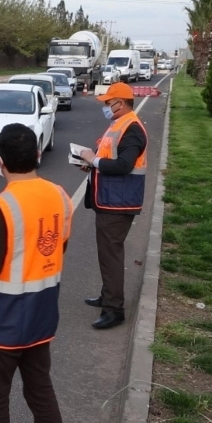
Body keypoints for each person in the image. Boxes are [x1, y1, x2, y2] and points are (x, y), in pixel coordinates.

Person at [0, 123, 73, 423]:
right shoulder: (60, 195)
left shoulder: (2, 206)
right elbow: (56, 248)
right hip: (42, 317)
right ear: (38, 155)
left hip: (1, 325)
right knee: (40, 390)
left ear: (0, 162)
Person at [77, 82, 148, 330]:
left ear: (121, 102)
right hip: (109, 199)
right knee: (107, 254)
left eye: (109, 103)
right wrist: (91, 163)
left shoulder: (132, 129)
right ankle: (108, 297)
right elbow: (109, 158)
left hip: (119, 202)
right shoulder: (119, 124)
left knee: (111, 255)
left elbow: (124, 166)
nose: (106, 107)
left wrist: (92, 159)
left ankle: (114, 309)